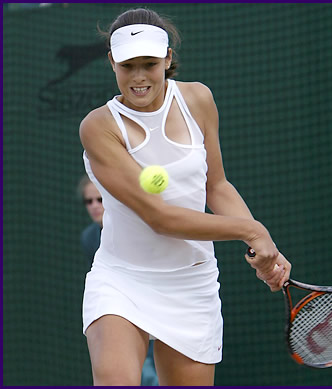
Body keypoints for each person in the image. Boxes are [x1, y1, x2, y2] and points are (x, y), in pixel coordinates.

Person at [79, 7, 292, 386]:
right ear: (112, 62)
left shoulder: (198, 100)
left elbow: (217, 187)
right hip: (122, 279)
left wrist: (264, 247)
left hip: (191, 284)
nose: (139, 76)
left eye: (149, 63)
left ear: (168, 59)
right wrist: (252, 231)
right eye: (128, 65)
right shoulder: (98, 127)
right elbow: (159, 218)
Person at [77, 173, 158, 385]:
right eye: (89, 201)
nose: (95, 206)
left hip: (156, 310)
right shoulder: (89, 238)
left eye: (100, 199)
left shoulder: (138, 228)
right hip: (122, 314)